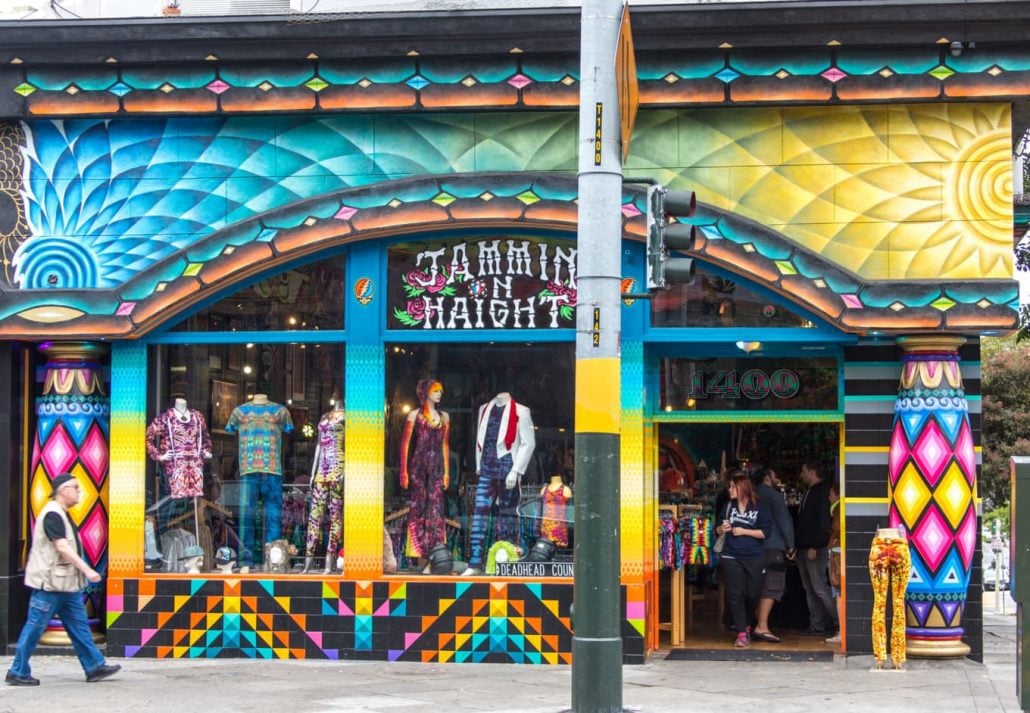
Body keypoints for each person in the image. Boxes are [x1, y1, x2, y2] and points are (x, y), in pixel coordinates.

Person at [6, 473, 121, 686]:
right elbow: (62, 547)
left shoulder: (62, 513)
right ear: (62, 490)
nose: (79, 491)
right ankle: (18, 671)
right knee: (35, 628)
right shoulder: (53, 514)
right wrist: (87, 570)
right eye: (75, 487)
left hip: (66, 585)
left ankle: (94, 666)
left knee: (79, 627)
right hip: (50, 585)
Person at [462, 392, 536, 576]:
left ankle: (506, 563)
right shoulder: (484, 409)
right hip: (487, 469)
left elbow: (529, 443)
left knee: (507, 517)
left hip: (507, 468)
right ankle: (474, 563)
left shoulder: (521, 411)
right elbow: (481, 441)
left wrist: (516, 470)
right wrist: (479, 465)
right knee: (479, 516)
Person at [715, 471, 772, 648]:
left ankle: (746, 625)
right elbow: (716, 530)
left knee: (752, 594)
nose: (729, 489)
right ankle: (741, 632)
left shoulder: (760, 507)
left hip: (754, 556)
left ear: (742, 487)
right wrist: (722, 529)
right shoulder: (728, 506)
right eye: (729, 486)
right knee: (734, 594)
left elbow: (765, 533)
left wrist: (743, 531)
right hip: (731, 555)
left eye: (732, 486)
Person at [399, 379, 450, 566]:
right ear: (426, 392)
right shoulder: (415, 415)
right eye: (436, 390)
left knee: (436, 510)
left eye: (440, 391)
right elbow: (405, 444)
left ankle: (436, 553)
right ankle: (418, 554)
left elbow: (445, 445)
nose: (439, 394)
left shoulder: (444, 417)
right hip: (419, 466)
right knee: (418, 508)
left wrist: (447, 473)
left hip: (436, 467)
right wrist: (403, 472)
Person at [751, 468, 795, 644]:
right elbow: (784, 521)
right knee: (773, 585)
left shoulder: (751, 494)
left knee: (757, 585)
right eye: (775, 475)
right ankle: (762, 626)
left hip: (753, 547)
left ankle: (757, 623)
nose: (777, 478)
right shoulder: (773, 496)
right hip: (773, 546)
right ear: (767, 477)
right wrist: (791, 545)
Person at [795, 461, 838, 636]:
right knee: (810, 588)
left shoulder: (821, 493)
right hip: (804, 547)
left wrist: (816, 544)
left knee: (819, 587)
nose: (801, 475)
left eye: (804, 470)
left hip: (814, 549)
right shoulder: (811, 492)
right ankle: (817, 624)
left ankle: (838, 622)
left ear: (813, 472)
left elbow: (823, 522)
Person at [826, 480, 843, 645]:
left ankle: (841, 631)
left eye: (831, 493)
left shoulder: (838, 508)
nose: (828, 497)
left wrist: (831, 542)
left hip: (837, 553)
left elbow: (837, 528)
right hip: (839, 551)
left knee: (838, 593)